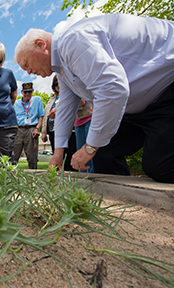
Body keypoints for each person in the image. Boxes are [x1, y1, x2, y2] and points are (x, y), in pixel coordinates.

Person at [14, 14, 174, 183]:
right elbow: (66, 108)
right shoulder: (62, 69)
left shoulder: (73, 41)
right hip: (138, 109)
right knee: (105, 152)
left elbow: (113, 89)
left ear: (40, 44)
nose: (28, 72)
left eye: (26, 64)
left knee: (160, 166)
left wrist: (89, 148)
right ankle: (118, 199)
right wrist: (58, 153)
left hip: (167, 90)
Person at [41, 76, 76, 171]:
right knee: (56, 154)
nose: (58, 86)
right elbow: (46, 116)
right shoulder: (51, 99)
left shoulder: (69, 96)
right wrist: (44, 131)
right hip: (53, 131)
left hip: (67, 130)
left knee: (69, 154)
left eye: (60, 83)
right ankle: (58, 174)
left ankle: (70, 174)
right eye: (56, 84)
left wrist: (58, 110)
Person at [13, 82, 44, 169]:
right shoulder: (15, 103)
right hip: (18, 130)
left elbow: (41, 116)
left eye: (29, 92)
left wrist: (37, 128)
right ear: (22, 92)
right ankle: (10, 177)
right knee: (14, 156)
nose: (27, 94)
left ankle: (33, 177)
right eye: (25, 92)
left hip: (31, 129)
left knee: (32, 156)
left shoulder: (37, 100)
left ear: (33, 91)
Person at [74, 99, 93, 173]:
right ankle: (83, 179)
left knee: (91, 152)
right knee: (81, 155)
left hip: (92, 115)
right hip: (78, 120)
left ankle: (93, 178)